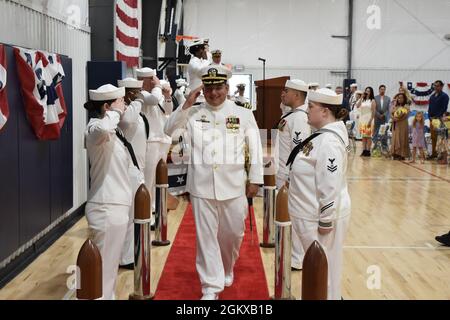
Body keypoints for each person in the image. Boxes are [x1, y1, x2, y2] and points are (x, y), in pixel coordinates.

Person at [164, 64, 264, 300]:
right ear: (203, 89)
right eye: (209, 88)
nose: (214, 93)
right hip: (201, 186)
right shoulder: (194, 112)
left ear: (227, 87)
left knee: (232, 234)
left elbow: (255, 148)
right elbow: (168, 130)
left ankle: (227, 266)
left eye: (218, 87)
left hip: (235, 185)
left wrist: (256, 179)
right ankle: (210, 286)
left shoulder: (242, 113)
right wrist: (186, 104)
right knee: (206, 237)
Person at [287, 88, 351, 300]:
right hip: (310, 213)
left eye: (311, 107)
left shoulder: (329, 142)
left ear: (325, 112)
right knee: (322, 270)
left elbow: (329, 184)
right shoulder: (322, 136)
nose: (307, 111)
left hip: (319, 218)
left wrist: (325, 219)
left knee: (325, 270)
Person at [84, 84, 132, 299]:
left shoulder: (114, 130)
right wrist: (114, 112)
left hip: (116, 205)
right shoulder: (95, 128)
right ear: (106, 107)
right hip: (106, 207)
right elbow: (103, 130)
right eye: (121, 102)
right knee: (102, 270)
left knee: (109, 270)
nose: (124, 106)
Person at [274, 79, 311, 270]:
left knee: (295, 215)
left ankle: (298, 258)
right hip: (283, 172)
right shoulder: (292, 115)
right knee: (287, 214)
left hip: (290, 175)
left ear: (296, 95)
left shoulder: (299, 118)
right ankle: (294, 252)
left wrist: (289, 176)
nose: (283, 93)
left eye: (286, 91)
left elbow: (298, 149)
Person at [116, 77, 148, 269]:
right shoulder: (122, 112)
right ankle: (124, 257)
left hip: (137, 167)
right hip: (127, 168)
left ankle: (128, 254)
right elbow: (128, 121)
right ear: (128, 93)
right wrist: (137, 100)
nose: (139, 95)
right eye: (136, 92)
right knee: (127, 216)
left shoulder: (134, 109)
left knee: (133, 216)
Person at [136, 67, 173, 214]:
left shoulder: (157, 93)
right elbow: (154, 100)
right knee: (148, 177)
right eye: (151, 79)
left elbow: (168, 111)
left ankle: (156, 207)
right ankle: (147, 210)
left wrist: (168, 96)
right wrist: (158, 86)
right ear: (143, 80)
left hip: (162, 139)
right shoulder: (140, 93)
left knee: (159, 177)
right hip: (149, 140)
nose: (154, 81)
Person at [427, 80, 449, 159]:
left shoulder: (444, 96)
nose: (436, 87)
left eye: (437, 86)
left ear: (442, 86)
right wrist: (429, 117)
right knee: (433, 137)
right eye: (435, 86)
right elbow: (429, 108)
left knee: (441, 138)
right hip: (432, 119)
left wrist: (436, 117)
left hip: (439, 119)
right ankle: (434, 153)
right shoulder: (432, 96)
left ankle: (441, 155)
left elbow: (444, 108)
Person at [356, 87, 376, 156]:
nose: (367, 92)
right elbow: (357, 106)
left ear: (371, 92)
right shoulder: (363, 100)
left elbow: (373, 112)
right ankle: (364, 150)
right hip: (362, 119)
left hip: (369, 118)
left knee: (368, 136)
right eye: (366, 91)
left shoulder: (372, 101)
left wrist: (370, 120)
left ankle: (368, 150)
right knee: (363, 136)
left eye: (368, 91)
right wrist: (361, 97)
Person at [390, 92, 410, 160]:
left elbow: (405, 116)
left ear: (404, 99)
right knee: (395, 138)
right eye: (398, 98)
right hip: (395, 124)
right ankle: (395, 153)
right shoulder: (396, 106)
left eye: (401, 97)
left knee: (402, 138)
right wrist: (393, 118)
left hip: (402, 124)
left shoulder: (406, 106)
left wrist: (397, 119)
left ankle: (402, 154)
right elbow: (391, 113)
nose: (399, 99)